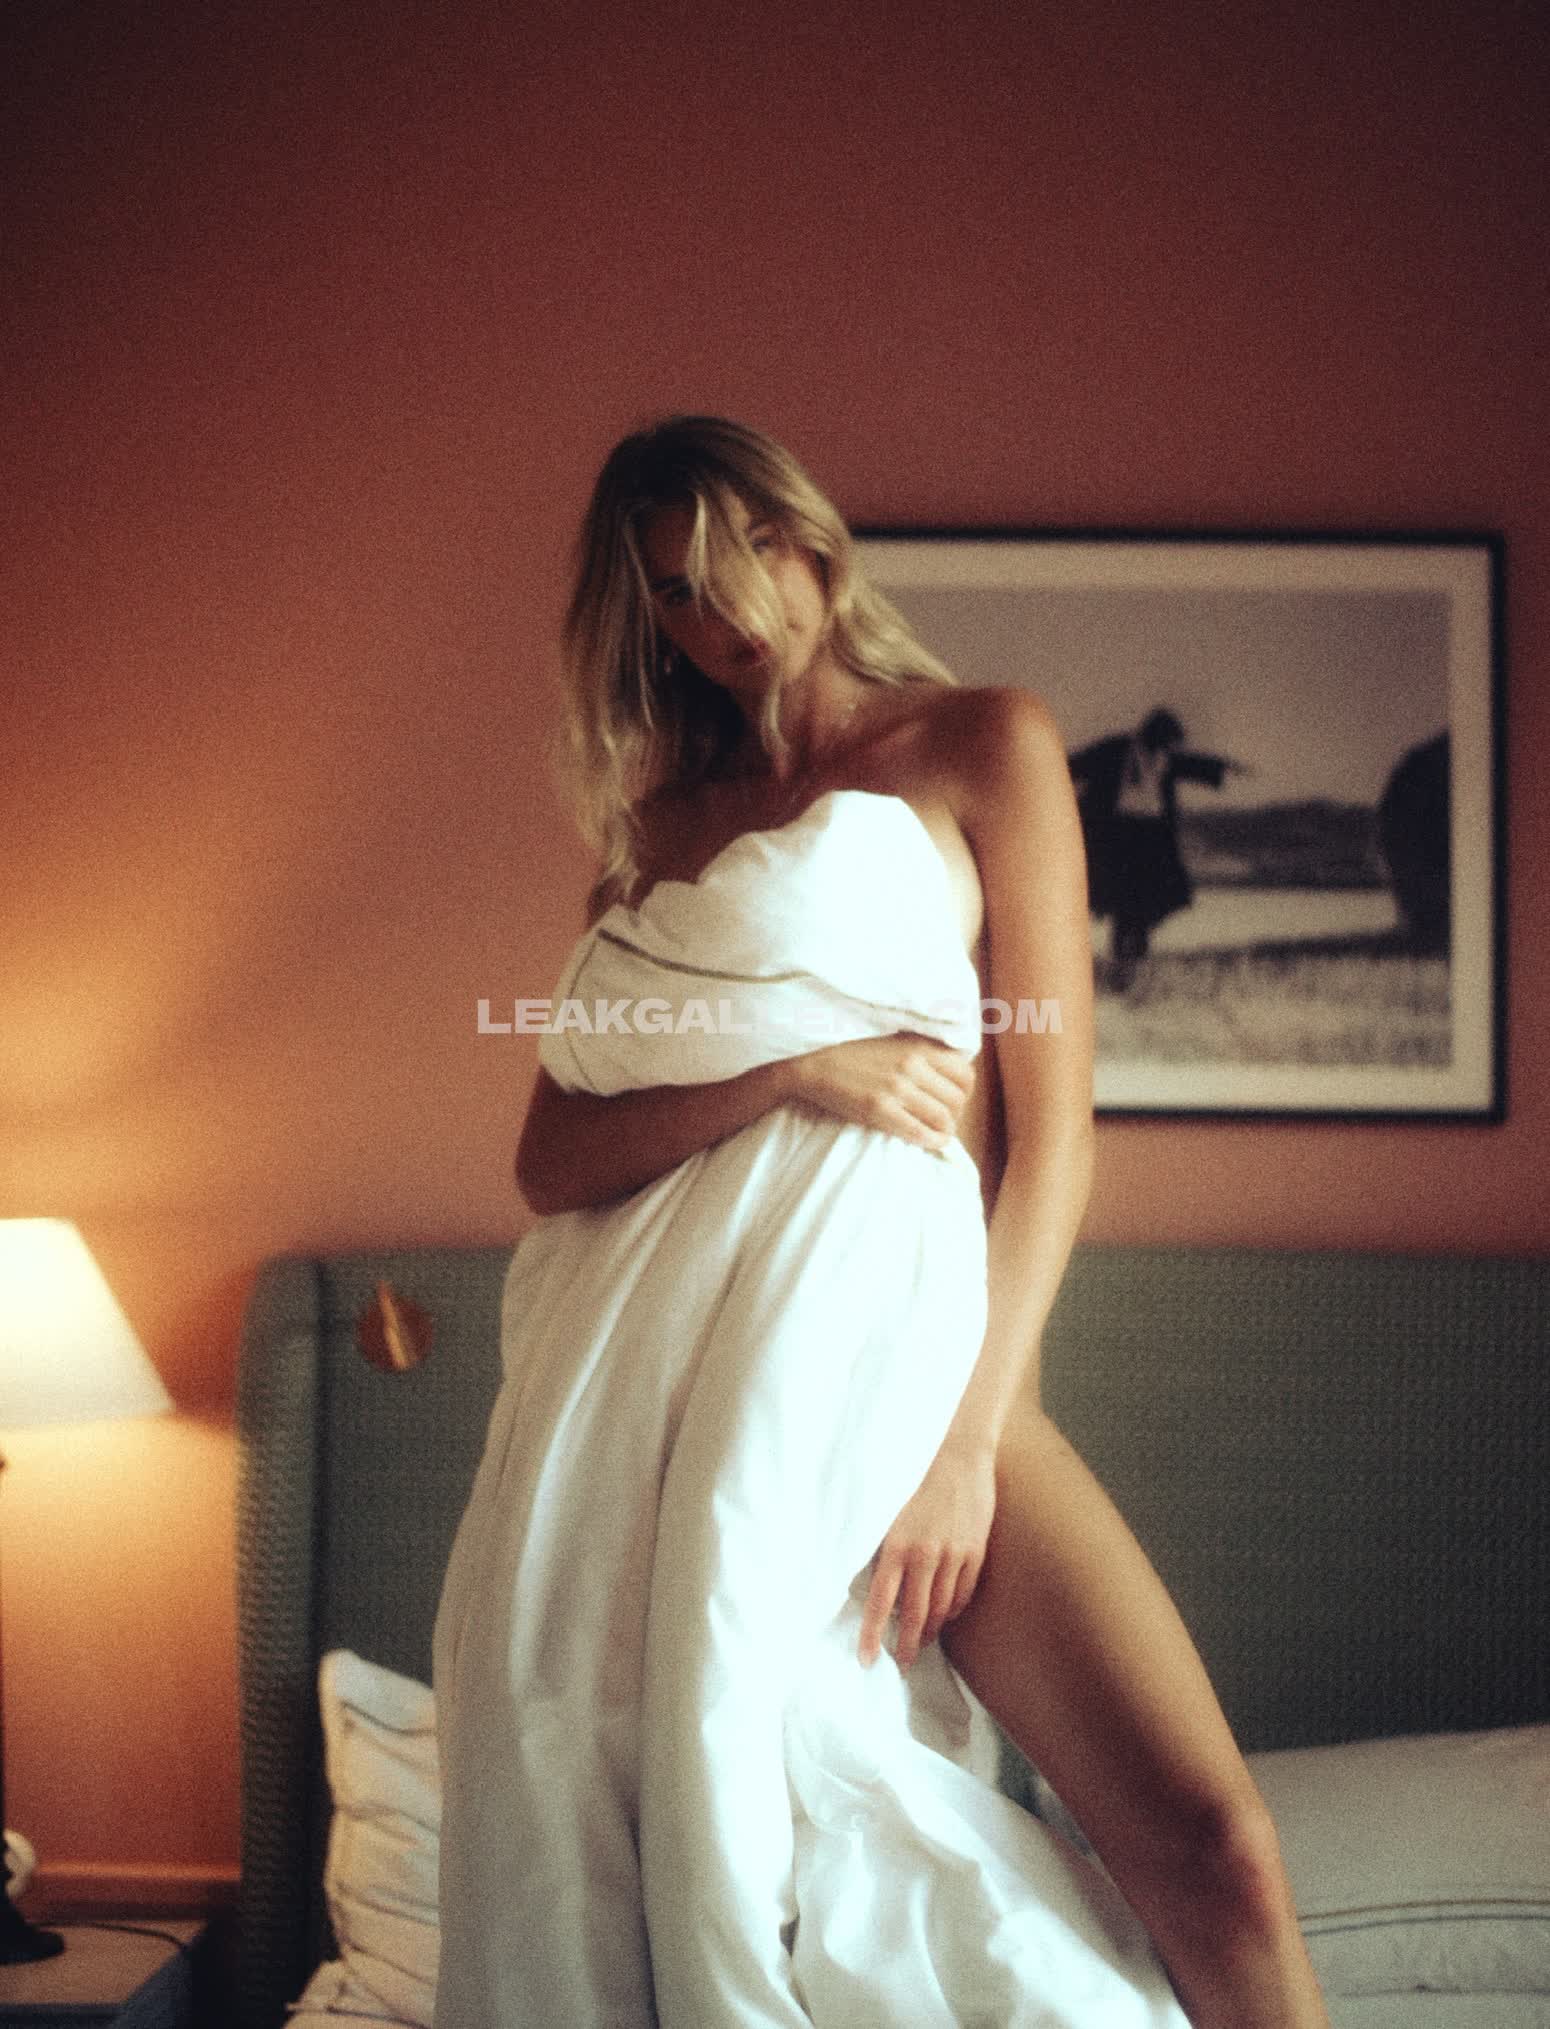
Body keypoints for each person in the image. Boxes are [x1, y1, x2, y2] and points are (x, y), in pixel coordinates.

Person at [431, 416, 1327, 2027]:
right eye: (673, 593)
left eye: (740, 559)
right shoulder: (663, 831)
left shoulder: (981, 744)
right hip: (700, 1428)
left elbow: (1052, 1143)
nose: (720, 613)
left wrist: (963, 1448)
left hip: (938, 1397)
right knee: (740, 1845)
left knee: (1219, 1852)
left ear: (809, 541)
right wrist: (792, 1072)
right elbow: (552, 1155)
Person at [1069, 709, 1246, 987]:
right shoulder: (1118, 749)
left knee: (1148, 903)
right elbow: (1080, 762)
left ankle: (1133, 959)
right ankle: (1124, 963)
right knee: (1124, 904)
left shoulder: (1165, 758)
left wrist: (1223, 767)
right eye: (1167, 742)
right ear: (1153, 736)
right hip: (1118, 837)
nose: (1169, 748)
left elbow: (1191, 764)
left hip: (1152, 839)